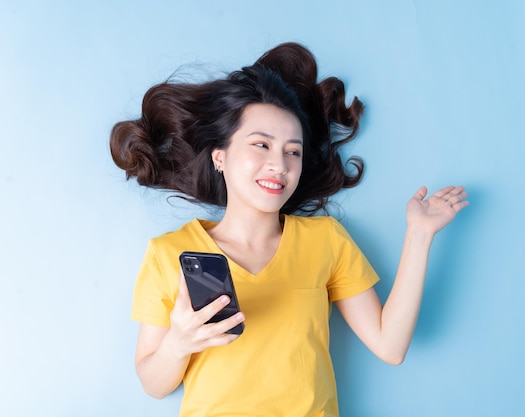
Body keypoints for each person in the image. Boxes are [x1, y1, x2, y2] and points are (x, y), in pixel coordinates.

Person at [110, 42, 468, 417]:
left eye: (292, 151)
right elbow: (152, 384)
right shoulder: (170, 253)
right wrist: (178, 344)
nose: (279, 164)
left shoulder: (325, 241)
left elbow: (390, 347)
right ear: (220, 156)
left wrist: (420, 235)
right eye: (261, 145)